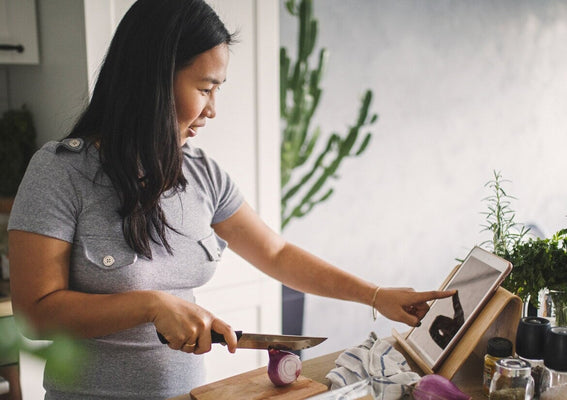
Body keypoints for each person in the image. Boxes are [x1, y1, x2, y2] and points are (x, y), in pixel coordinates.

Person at [7, 0, 455, 398]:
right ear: (153, 81)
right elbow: (34, 314)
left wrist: (375, 296)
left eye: (217, 90)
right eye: (205, 88)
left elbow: (276, 254)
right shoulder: (60, 172)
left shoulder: (202, 174)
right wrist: (151, 305)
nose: (212, 109)